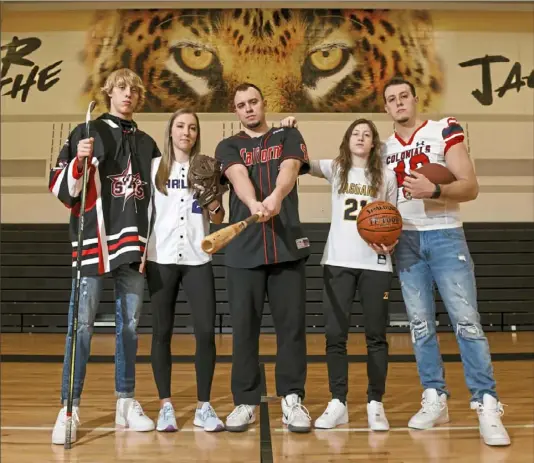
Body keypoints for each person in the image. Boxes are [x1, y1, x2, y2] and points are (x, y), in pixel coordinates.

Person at [381, 76, 510, 446]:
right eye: (392, 99)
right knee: (420, 326)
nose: (400, 102)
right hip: (405, 239)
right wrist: (385, 235)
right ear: (386, 108)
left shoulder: (442, 130)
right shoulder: (384, 148)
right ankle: (435, 396)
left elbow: (470, 186)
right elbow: (384, 202)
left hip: (444, 233)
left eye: (404, 95)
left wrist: (434, 189)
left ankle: (486, 402)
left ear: (415, 99)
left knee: (466, 321)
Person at [49, 68, 158, 445]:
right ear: (109, 92)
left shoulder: (147, 144)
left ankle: (125, 401)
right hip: (93, 241)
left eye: (134, 90)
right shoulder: (86, 132)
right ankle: (69, 407)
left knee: (128, 327)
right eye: (121, 88)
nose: (128, 94)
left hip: (133, 247)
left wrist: (149, 247)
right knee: (80, 327)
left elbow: (156, 201)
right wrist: (79, 162)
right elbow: (61, 188)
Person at [214, 83, 312, 433]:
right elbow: (237, 176)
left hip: (286, 246)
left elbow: (289, 168)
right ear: (236, 111)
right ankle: (245, 400)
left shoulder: (288, 134)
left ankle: (291, 397)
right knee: (243, 330)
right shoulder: (228, 146)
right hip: (244, 250)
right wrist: (255, 203)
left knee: (291, 329)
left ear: (263, 103)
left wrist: (276, 196)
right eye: (241, 105)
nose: (248, 109)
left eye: (253, 101)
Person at [306, 119, 398, 431]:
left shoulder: (386, 175)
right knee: (335, 335)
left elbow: (394, 217)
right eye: (355, 134)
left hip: (375, 263)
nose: (361, 138)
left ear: (374, 143)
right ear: (347, 140)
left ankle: (376, 402)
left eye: (367, 134)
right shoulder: (335, 168)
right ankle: (338, 402)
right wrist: (288, 130)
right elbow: (299, 162)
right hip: (338, 261)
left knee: (376, 336)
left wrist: (392, 239)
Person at [143, 108, 225, 433]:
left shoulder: (206, 168)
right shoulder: (154, 168)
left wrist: (209, 196)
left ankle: (204, 407)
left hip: (197, 260)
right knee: (162, 334)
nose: (186, 132)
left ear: (196, 133)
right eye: (180, 126)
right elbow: (145, 214)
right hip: (160, 259)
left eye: (192, 127)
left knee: (205, 333)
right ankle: (165, 406)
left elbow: (218, 218)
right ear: (171, 130)